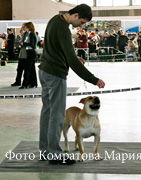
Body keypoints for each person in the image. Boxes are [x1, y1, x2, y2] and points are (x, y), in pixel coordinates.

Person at [38, 4, 105, 165]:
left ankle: (45, 150)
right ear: (75, 15)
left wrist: (71, 58)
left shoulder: (55, 20)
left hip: (44, 71)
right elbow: (72, 60)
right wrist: (93, 79)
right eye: (81, 22)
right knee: (57, 115)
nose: (81, 26)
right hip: (55, 75)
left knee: (47, 112)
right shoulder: (64, 29)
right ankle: (54, 154)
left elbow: (55, 49)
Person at [19, 22, 37, 89]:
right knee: (31, 69)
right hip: (29, 52)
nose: (25, 29)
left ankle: (25, 84)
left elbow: (32, 44)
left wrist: (24, 43)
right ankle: (33, 83)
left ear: (29, 27)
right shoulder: (29, 34)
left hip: (31, 52)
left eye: (26, 27)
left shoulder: (32, 34)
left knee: (27, 69)